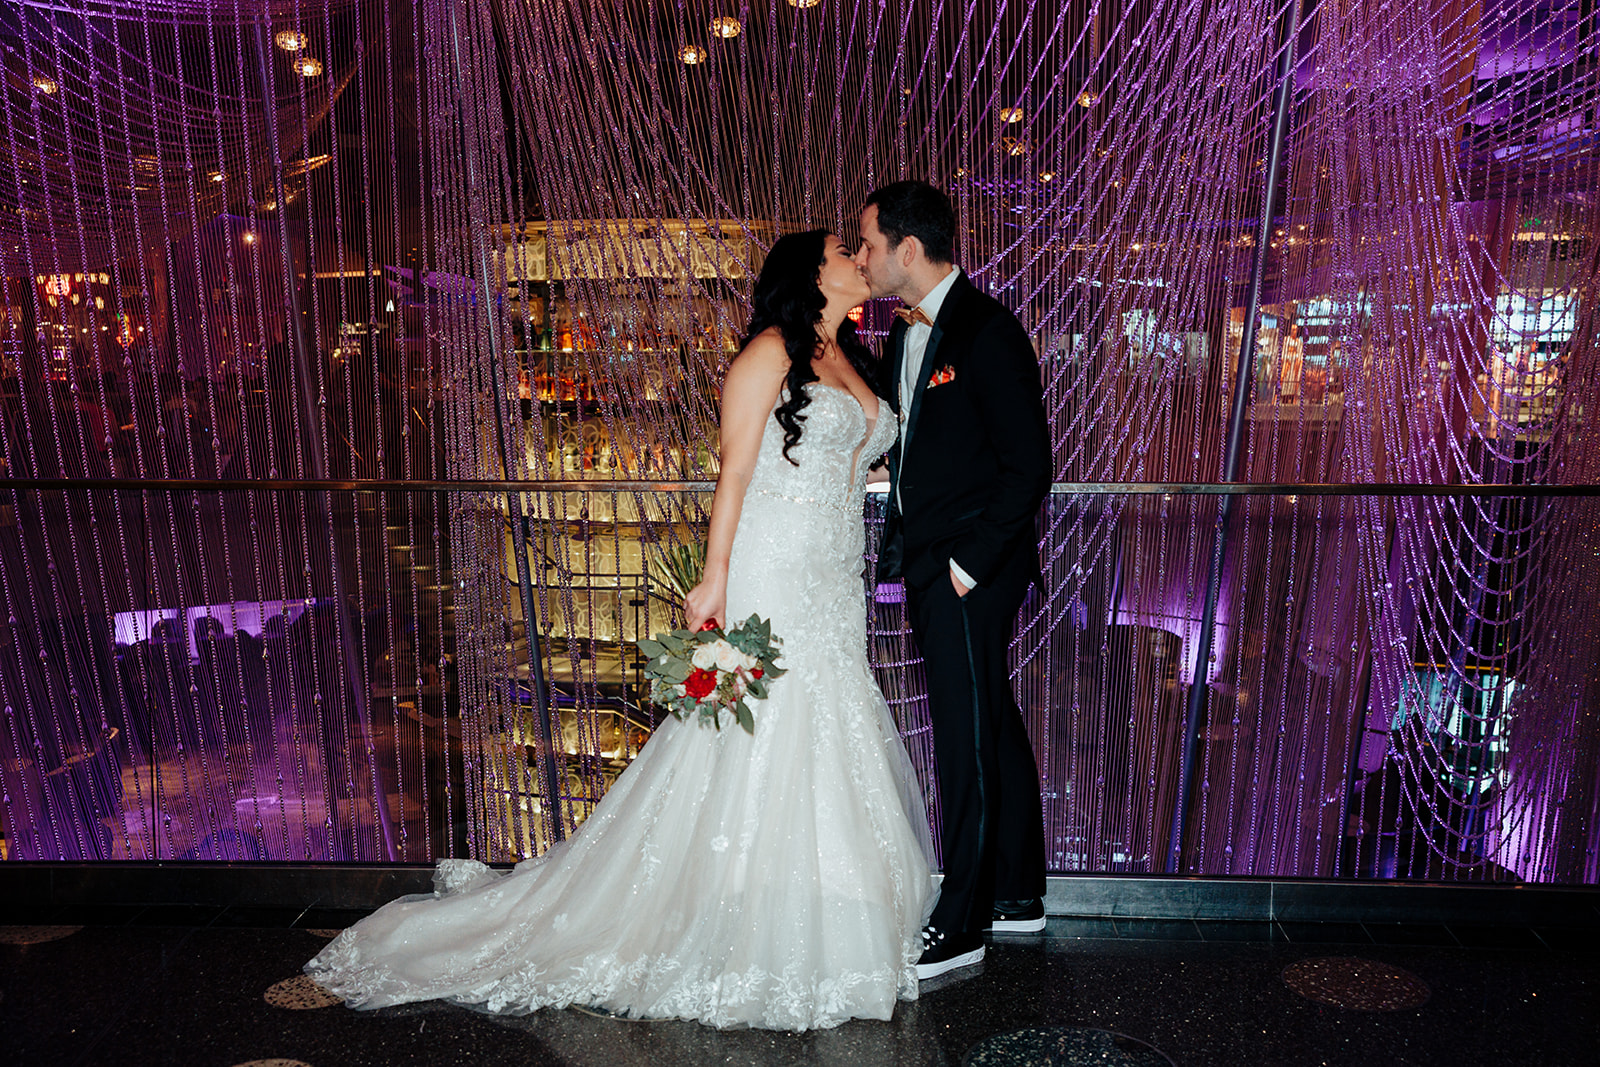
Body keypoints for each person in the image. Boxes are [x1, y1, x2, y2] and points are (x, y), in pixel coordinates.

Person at [306, 231, 935, 1030]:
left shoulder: (853, 352)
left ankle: (812, 902)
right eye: (846, 249)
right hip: (774, 570)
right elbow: (735, 469)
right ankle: (739, 912)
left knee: (828, 718)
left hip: (835, 575)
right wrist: (713, 578)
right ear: (809, 271)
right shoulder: (769, 353)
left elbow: (856, 459)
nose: (859, 257)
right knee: (762, 727)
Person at [854, 180, 1054, 980]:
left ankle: (963, 920)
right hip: (937, 563)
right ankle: (1017, 891)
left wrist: (968, 567)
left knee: (963, 741)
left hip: (971, 570)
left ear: (909, 247)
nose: (863, 255)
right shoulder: (904, 337)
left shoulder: (988, 330)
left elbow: (1028, 467)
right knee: (990, 724)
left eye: (868, 242)